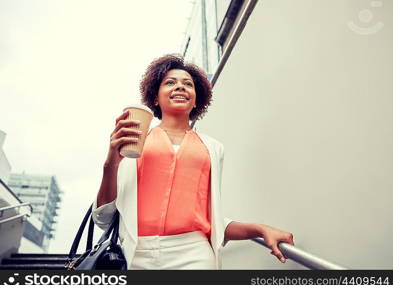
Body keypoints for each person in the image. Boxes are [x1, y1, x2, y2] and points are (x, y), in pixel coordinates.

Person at [92, 54, 294, 269]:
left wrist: (259, 229)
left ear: (196, 99)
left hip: (194, 255)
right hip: (136, 254)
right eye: (170, 82)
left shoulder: (213, 149)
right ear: (155, 97)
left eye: (187, 84)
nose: (180, 87)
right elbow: (104, 217)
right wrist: (111, 161)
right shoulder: (134, 143)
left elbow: (212, 221)